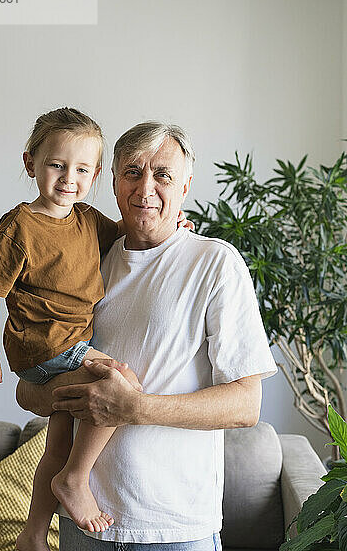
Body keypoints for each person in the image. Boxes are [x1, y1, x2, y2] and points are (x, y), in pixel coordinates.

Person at [16, 121, 278, 551]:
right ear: (113, 181)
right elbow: (29, 389)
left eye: (163, 175)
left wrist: (135, 407)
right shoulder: (84, 261)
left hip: (174, 529)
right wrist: (73, 396)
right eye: (133, 172)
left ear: (186, 185)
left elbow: (246, 406)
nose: (145, 188)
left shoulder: (214, 264)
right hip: (83, 528)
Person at [0, 107, 148, 550]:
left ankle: (32, 534)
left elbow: (124, 231)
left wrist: (169, 221)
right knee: (122, 382)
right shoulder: (19, 226)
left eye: (82, 169)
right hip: (45, 344)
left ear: (96, 174)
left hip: (70, 345)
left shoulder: (85, 218)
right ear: (31, 163)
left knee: (59, 440)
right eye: (56, 164)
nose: (69, 177)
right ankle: (75, 480)